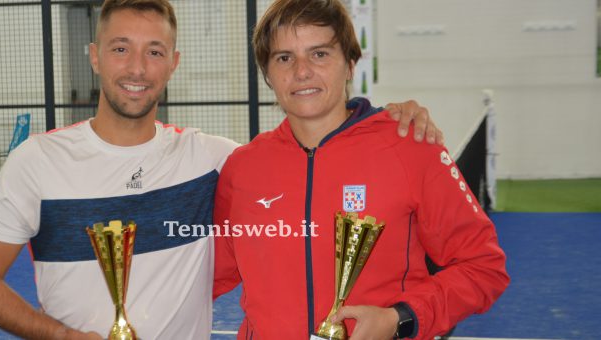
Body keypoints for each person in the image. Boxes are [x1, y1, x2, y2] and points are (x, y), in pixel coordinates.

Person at [0, 0, 442, 339]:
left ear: (173, 64)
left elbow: (304, 154)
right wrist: (63, 337)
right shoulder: (36, 162)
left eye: (154, 52)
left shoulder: (218, 159)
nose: (137, 68)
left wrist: (386, 122)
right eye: (120, 48)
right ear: (95, 57)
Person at [212, 0, 510, 339]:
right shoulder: (243, 168)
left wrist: (400, 318)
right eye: (284, 57)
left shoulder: (409, 147)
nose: (302, 71)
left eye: (320, 54)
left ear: (351, 64)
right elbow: (210, 272)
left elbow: (483, 267)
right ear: (267, 73)